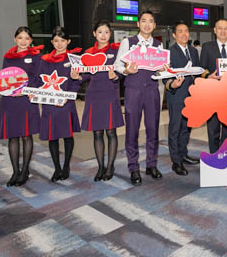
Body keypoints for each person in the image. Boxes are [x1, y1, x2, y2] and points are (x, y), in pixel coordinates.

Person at [0, 26, 43, 187]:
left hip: (26, 100)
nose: (23, 41)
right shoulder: (8, 57)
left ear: (31, 40)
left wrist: (24, 90)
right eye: (20, 38)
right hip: (9, 101)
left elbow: (39, 79)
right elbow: (5, 79)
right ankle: (15, 172)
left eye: (27, 38)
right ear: (15, 39)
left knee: (26, 135)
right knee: (12, 136)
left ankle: (25, 171)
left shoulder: (36, 56)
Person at [114, 10, 164, 186]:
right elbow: (117, 65)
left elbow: (160, 69)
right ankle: (133, 167)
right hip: (133, 90)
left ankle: (151, 164)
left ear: (154, 25)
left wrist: (164, 68)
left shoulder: (158, 45)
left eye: (151, 21)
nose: (147, 24)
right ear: (138, 24)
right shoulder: (128, 42)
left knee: (153, 129)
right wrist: (127, 70)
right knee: (132, 130)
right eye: (144, 21)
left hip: (152, 90)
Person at [34, 26, 82, 182]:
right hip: (49, 104)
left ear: (68, 41)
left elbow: (77, 82)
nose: (59, 44)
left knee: (67, 136)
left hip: (66, 104)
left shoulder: (74, 59)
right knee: (52, 137)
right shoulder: (44, 60)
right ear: (52, 42)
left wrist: (66, 97)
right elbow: (38, 80)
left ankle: (66, 166)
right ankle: (57, 168)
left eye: (63, 40)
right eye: (56, 41)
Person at [78, 20, 124, 181]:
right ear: (94, 34)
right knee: (97, 132)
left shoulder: (116, 51)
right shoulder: (88, 53)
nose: (103, 35)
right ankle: (100, 166)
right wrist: (78, 76)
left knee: (111, 132)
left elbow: (123, 71)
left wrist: (116, 75)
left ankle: (110, 166)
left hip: (110, 94)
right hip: (94, 95)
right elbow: (86, 74)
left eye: (106, 32)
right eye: (100, 32)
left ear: (110, 34)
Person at [199, 18, 227, 153]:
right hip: (213, 92)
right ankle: (214, 154)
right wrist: (208, 76)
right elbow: (202, 68)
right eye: (220, 28)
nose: (223, 31)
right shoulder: (207, 46)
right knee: (213, 127)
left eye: (226, 28)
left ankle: (224, 153)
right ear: (215, 30)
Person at [166, 21, 201, 175]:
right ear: (174, 35)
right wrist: (171, 84)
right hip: (176, 95)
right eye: (180, 31)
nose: (184, 34)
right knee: (175, 128)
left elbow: (197, 71)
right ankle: (176, 161)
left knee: (187, 127)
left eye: (186, 31)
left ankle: (183, 154)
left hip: (191, 96)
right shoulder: (169, 52)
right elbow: (165, 75)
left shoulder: (193, 51)